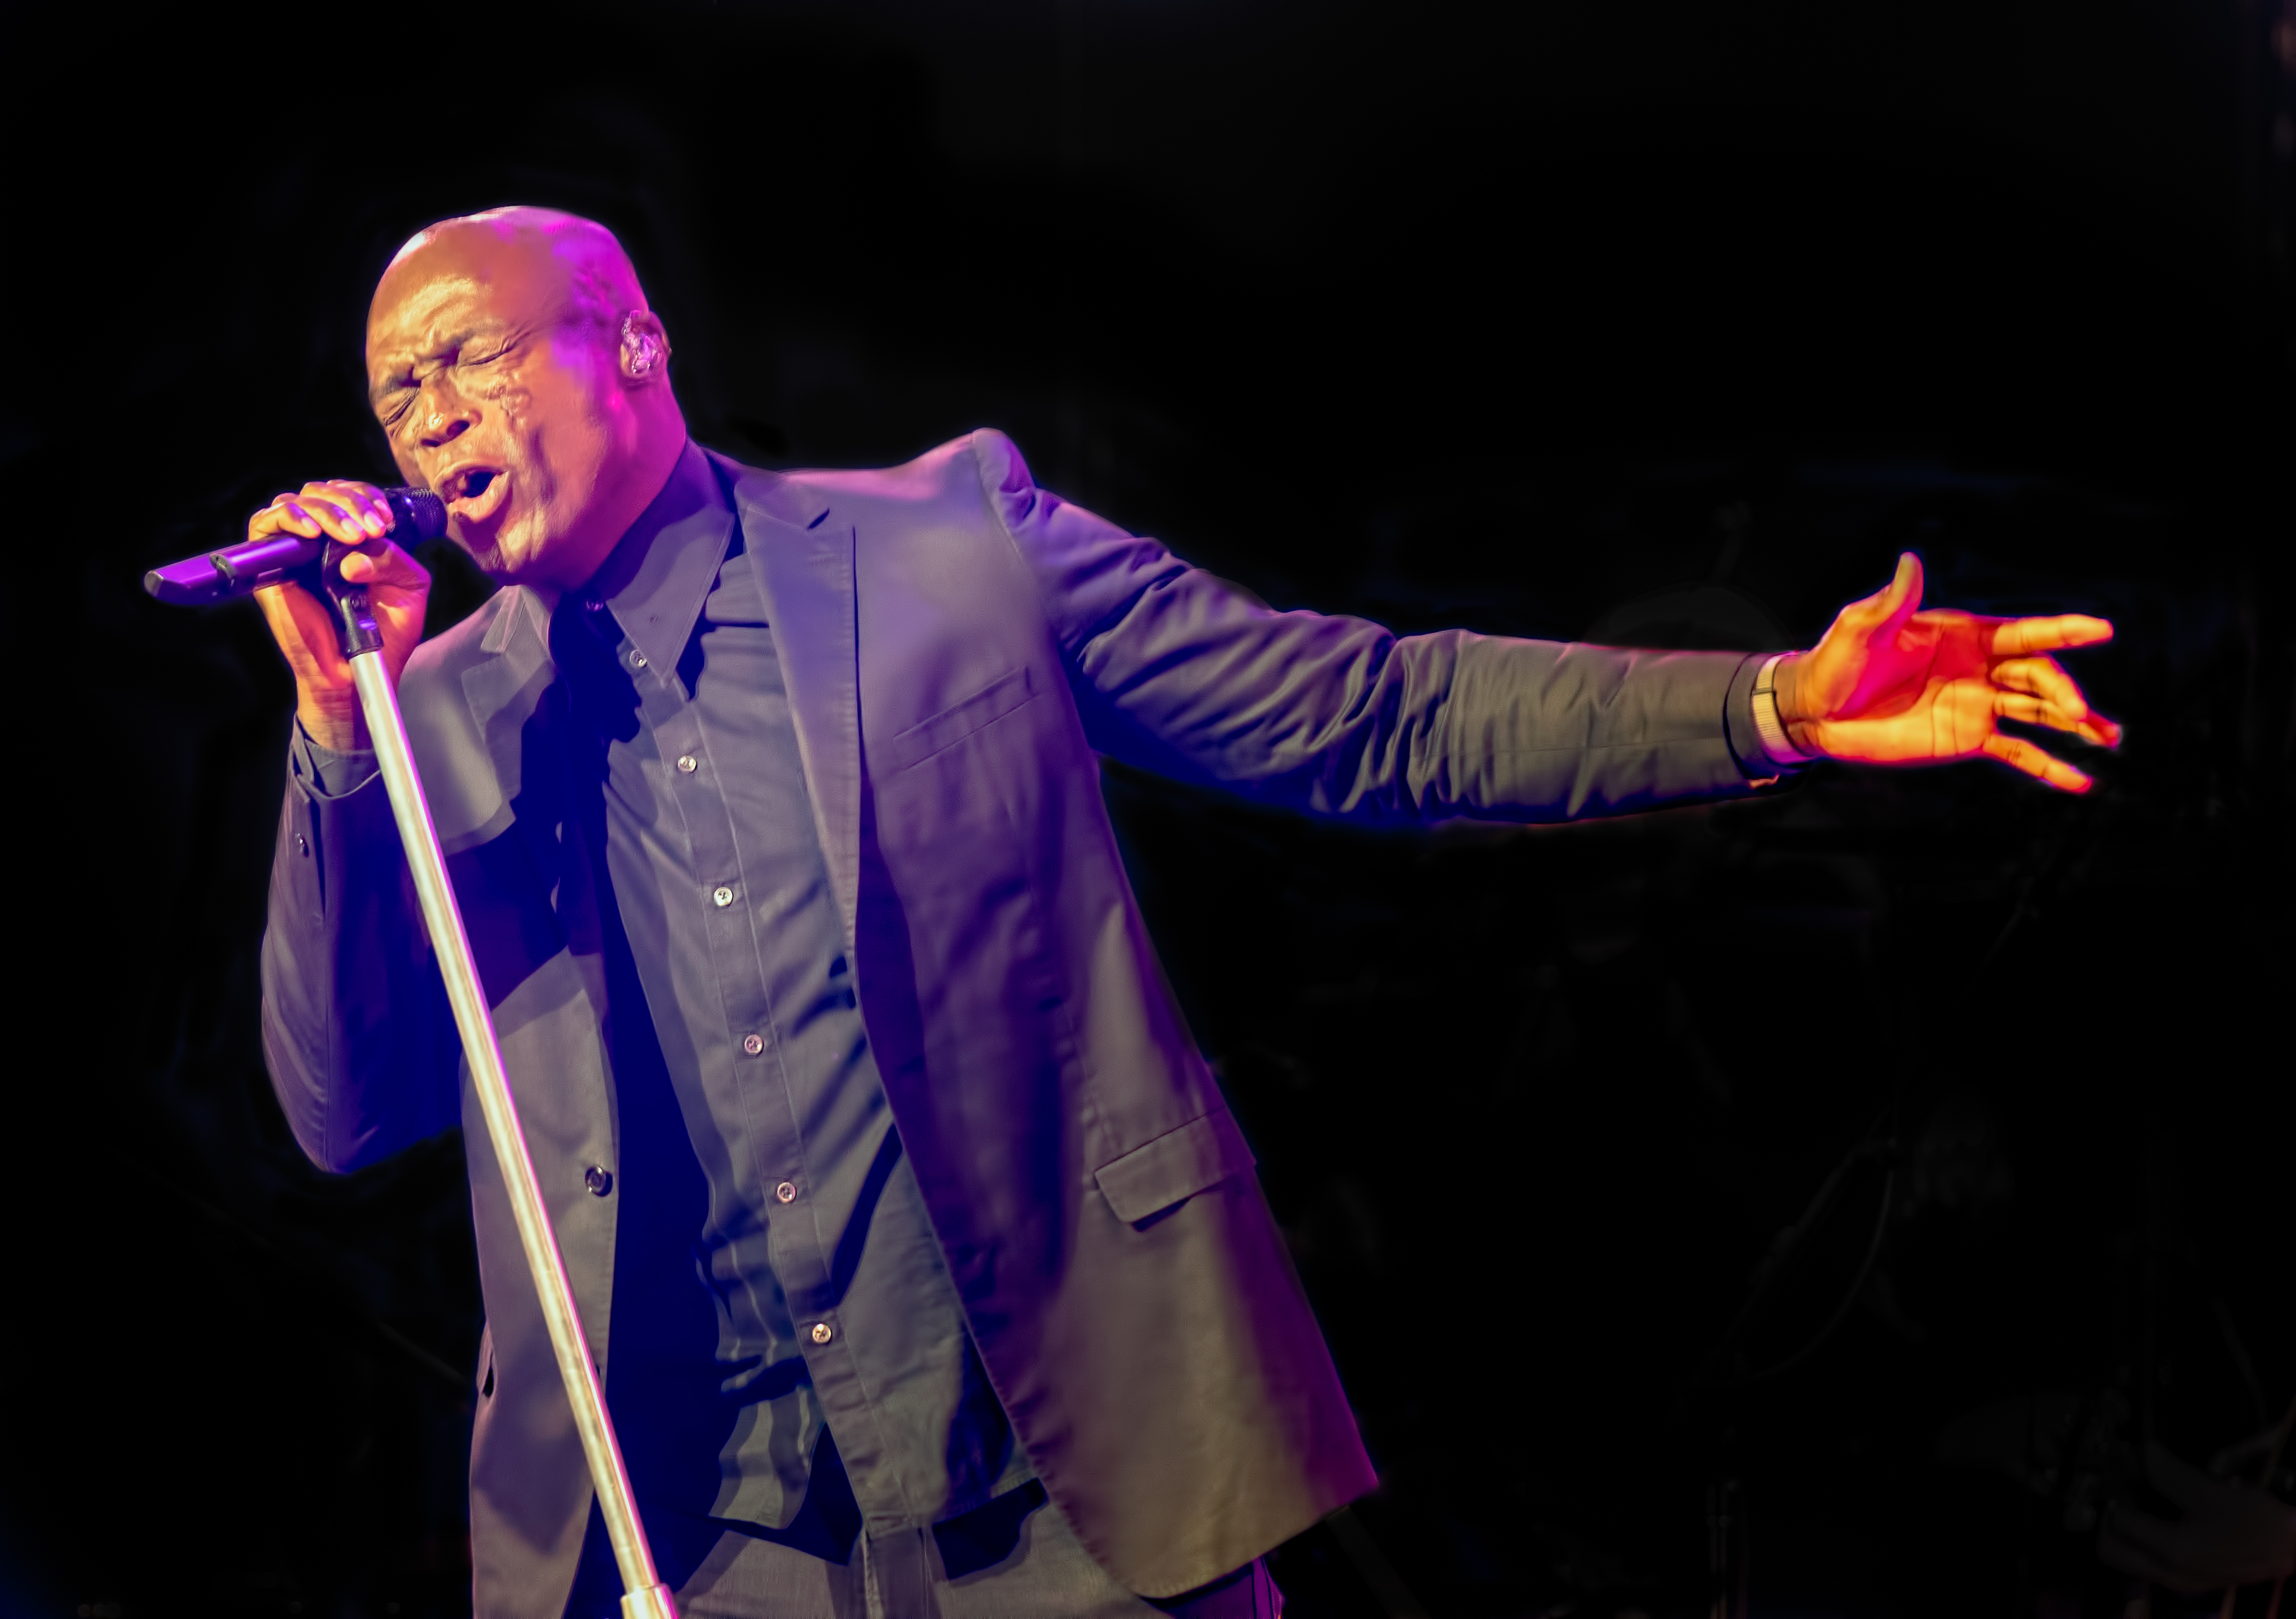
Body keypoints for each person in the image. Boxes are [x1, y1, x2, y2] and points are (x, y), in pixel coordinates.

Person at [252, 207, 2120, 1619]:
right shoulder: (432, 727)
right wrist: (341, 727)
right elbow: (343, 1107)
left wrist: (1768, 700)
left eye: (470, 356)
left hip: (1062, 1483)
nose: (428, 417)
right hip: (698, 1527)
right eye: (397, 391)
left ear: (634, 340)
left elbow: (1369, 716)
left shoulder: (943, 547)